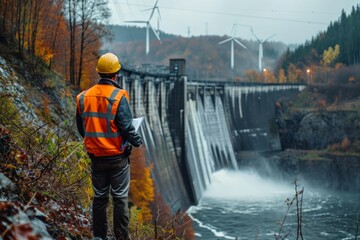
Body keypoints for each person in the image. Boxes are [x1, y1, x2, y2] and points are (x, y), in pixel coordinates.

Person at [76, 52, 142, 240]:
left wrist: (96, 143)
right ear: (116, 74)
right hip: (117, 158)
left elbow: (83, 128)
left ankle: (99, 236)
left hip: (96, 157)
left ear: (99, 73)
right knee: (120, 198)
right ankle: (121, 237)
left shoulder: (83, 97)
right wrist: (137, 140)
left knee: (100, 197)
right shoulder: (118, 96)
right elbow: (126, 127)